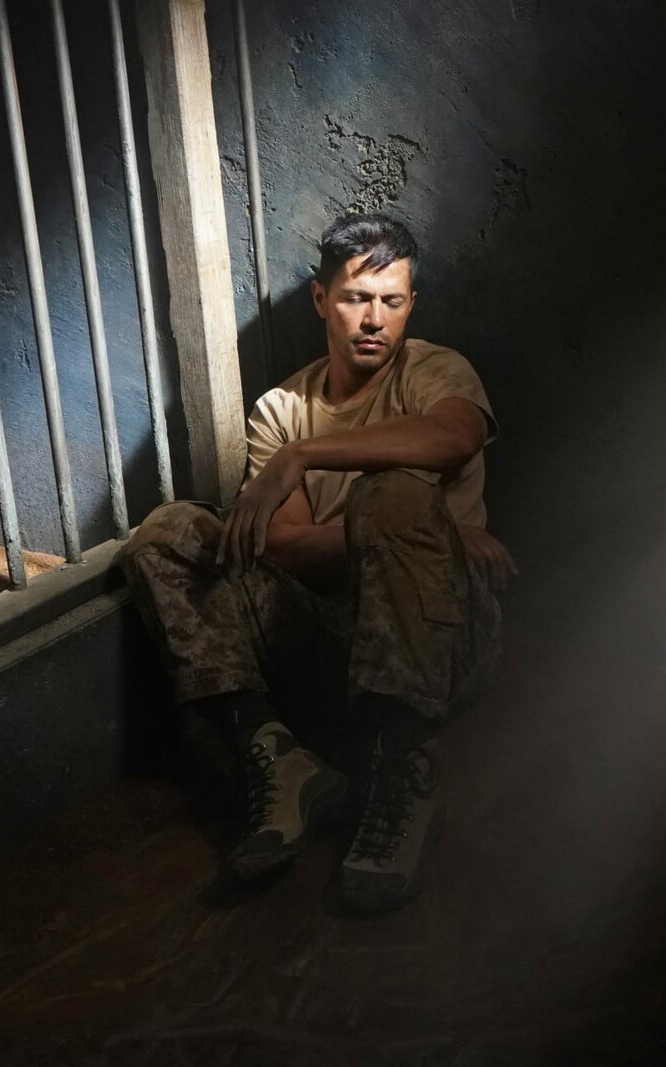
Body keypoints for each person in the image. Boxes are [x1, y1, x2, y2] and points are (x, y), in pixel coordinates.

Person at [121, 213, 514, 913]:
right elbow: (279, 543)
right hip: (329, 649)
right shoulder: (281, 409)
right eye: (357, 298)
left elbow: (452, 438)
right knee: (169, 531)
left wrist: (306, 460)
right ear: (320, 299)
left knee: (392, 495)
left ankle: (402, 772)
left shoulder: (435, 371)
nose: (375, 319)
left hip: (442, 648)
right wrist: (429, 535)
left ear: (411, 304)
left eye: (392, 301)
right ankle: (276, 754)